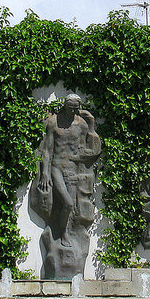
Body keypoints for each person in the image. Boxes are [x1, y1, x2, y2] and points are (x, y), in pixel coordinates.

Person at [35, 94, 100, 253]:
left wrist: (91, 125)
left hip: (73, 170)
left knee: (71, 207)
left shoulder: (82, 125)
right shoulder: (53, 122)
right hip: (57, 167)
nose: (72, 111)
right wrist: (45, 172)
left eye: (75, 108)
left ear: (79, 108)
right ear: (65, 106)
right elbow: (47, 149)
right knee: (68, 203)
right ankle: (63, 235)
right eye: (69, 108)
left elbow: (92, 150)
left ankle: (67, 233)